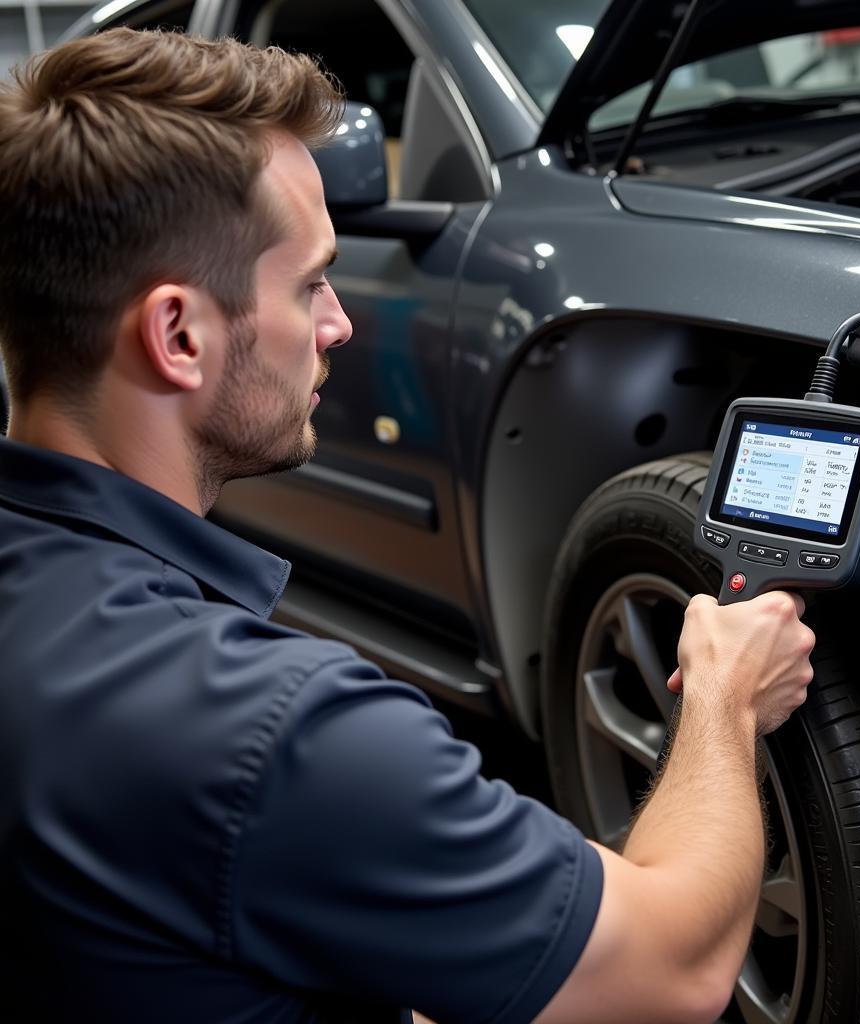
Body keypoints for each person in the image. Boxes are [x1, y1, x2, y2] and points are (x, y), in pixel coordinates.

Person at [0, 28, 815, 1024]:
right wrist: (727, 699)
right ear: (178, 334)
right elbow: (671, 969)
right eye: (308, 284)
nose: (337, 323)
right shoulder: (277, 734)